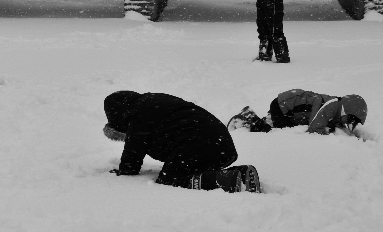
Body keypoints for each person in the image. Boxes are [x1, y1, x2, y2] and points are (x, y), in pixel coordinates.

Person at [103, 91, 262, 193]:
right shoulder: (155, 101)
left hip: (198, 144)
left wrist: (124, 171)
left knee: (170, 178)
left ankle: (233, 179)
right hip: (221, 145)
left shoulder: (139, 115)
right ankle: (241, 173)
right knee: (192, 171)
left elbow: (133, 152)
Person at [227, 89, 367, 135]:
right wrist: (330, 132)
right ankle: (247, 117)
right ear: (347, 112)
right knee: (272, 132)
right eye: (349, 121)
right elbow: (314, 127)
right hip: (283, 106)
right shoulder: (332, 105)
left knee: (276, 125)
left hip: (285, 107)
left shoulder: (335, 107)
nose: (346, 124)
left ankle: (250, 118)